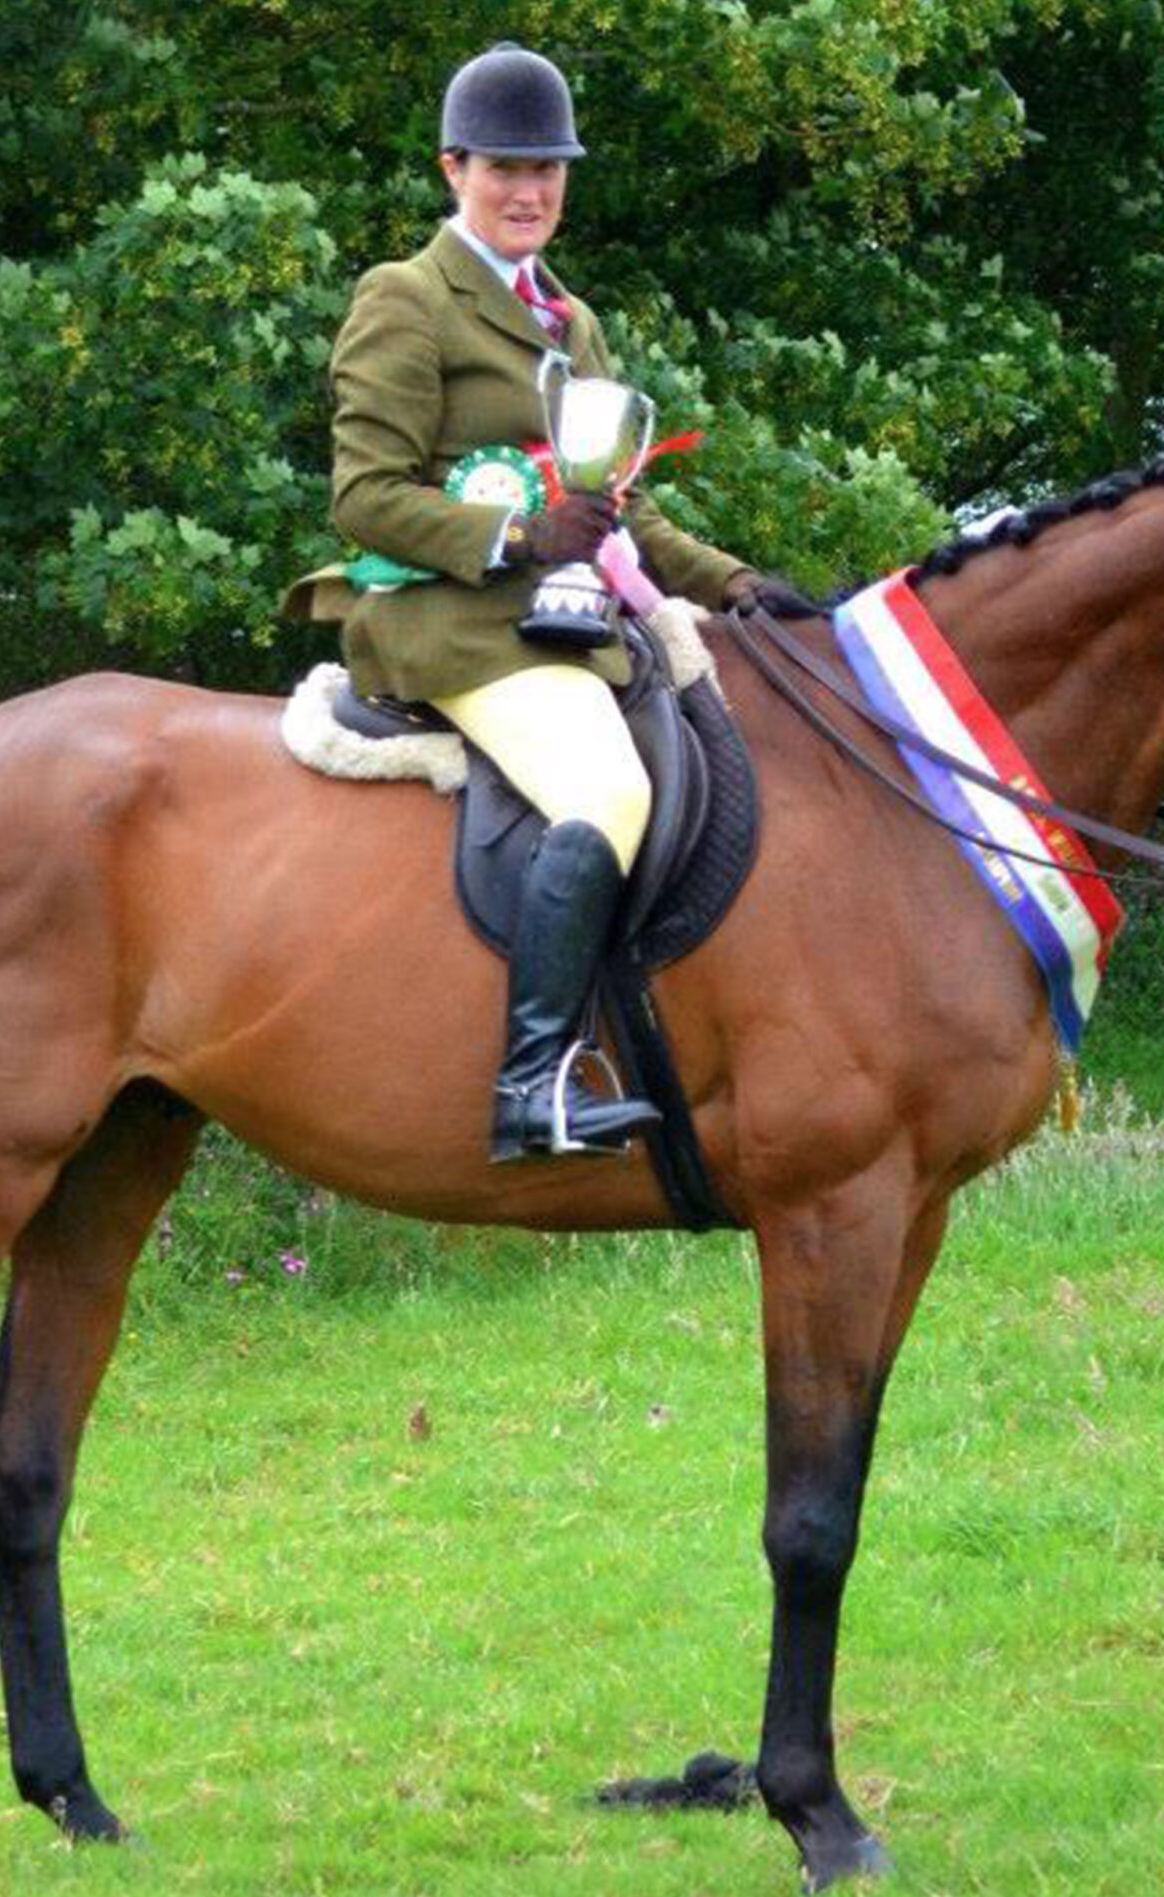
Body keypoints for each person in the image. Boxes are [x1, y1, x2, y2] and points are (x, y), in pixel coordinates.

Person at [287, 42, 760, 1162]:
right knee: (605, 788)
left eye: (548, 170)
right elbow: (364, 498)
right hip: (445, 619)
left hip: (562, 619)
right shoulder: (405, 299)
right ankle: (532, 1086)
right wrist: (511, 531)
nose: (529, 191)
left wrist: (735, 582)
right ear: (455, 169)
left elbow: (616, 516)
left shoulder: (572, 323)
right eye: (505, 167)